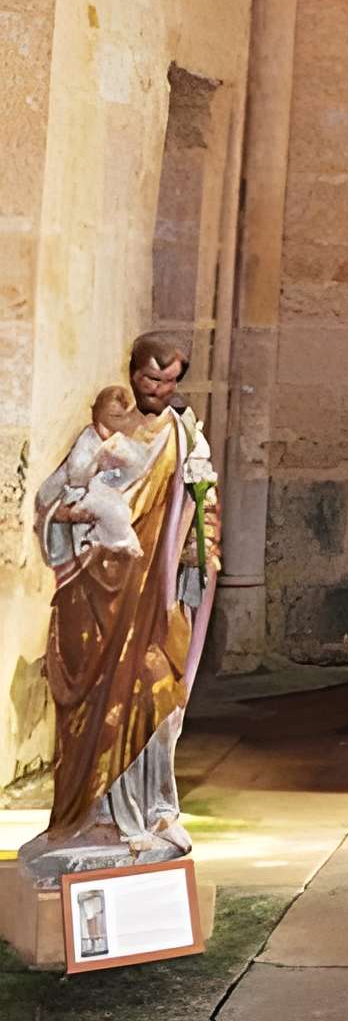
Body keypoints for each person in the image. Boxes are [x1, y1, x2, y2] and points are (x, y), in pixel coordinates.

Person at [20, 333, 219, 880]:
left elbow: (205, 511)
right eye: (149, 379)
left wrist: (201, 560)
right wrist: (77, 516)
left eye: (169, 380)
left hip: (156, 593)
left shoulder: (185, 437)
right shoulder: (102, 430)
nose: (158, 389)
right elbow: (51, 499)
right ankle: (91, 815)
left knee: (158, 693)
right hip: (96, 589)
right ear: (131, 373)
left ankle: (151, 811)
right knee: (94, 704)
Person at [52, 385, 159, 557]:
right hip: (86, 496)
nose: (121, 422)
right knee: (115, 511)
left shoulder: (120, 439)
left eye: (123, 417)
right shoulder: (87, 443)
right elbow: (79, 477)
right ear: (98, 415)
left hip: (116, 490)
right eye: (115, 417)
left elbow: (139, 465)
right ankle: (119, 543)